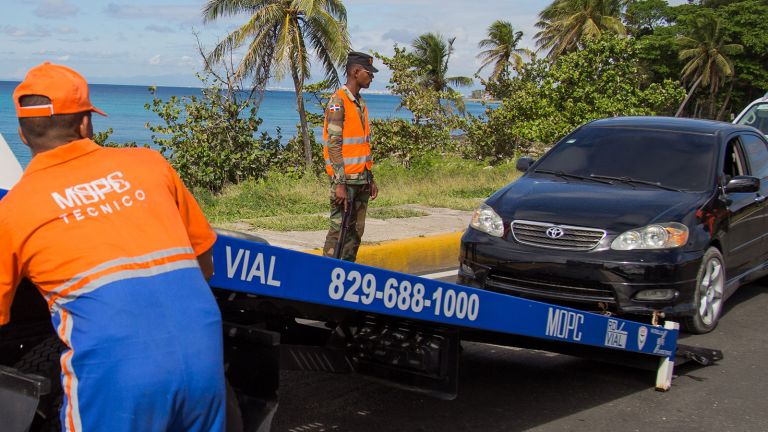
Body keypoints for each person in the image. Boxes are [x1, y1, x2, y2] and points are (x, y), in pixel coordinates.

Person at [0, 62, 226, 431]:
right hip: (204, 352)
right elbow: (204, 264)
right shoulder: (151, 164)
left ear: (23, 136)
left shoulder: (13, 210)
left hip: (117, 371)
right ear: (86, 123)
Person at [322, 51, 380, 261]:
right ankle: (327, 274)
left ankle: (346, 272)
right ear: (356, 72)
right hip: (345, 181)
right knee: (338, 232)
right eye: (368, 72)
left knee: (355, 233)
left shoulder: (360, 102)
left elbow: (361, 145)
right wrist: (339, 183)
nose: (371, 77)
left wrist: (370, 177)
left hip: (361, 180)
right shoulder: (338, 101)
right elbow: (334, 144)